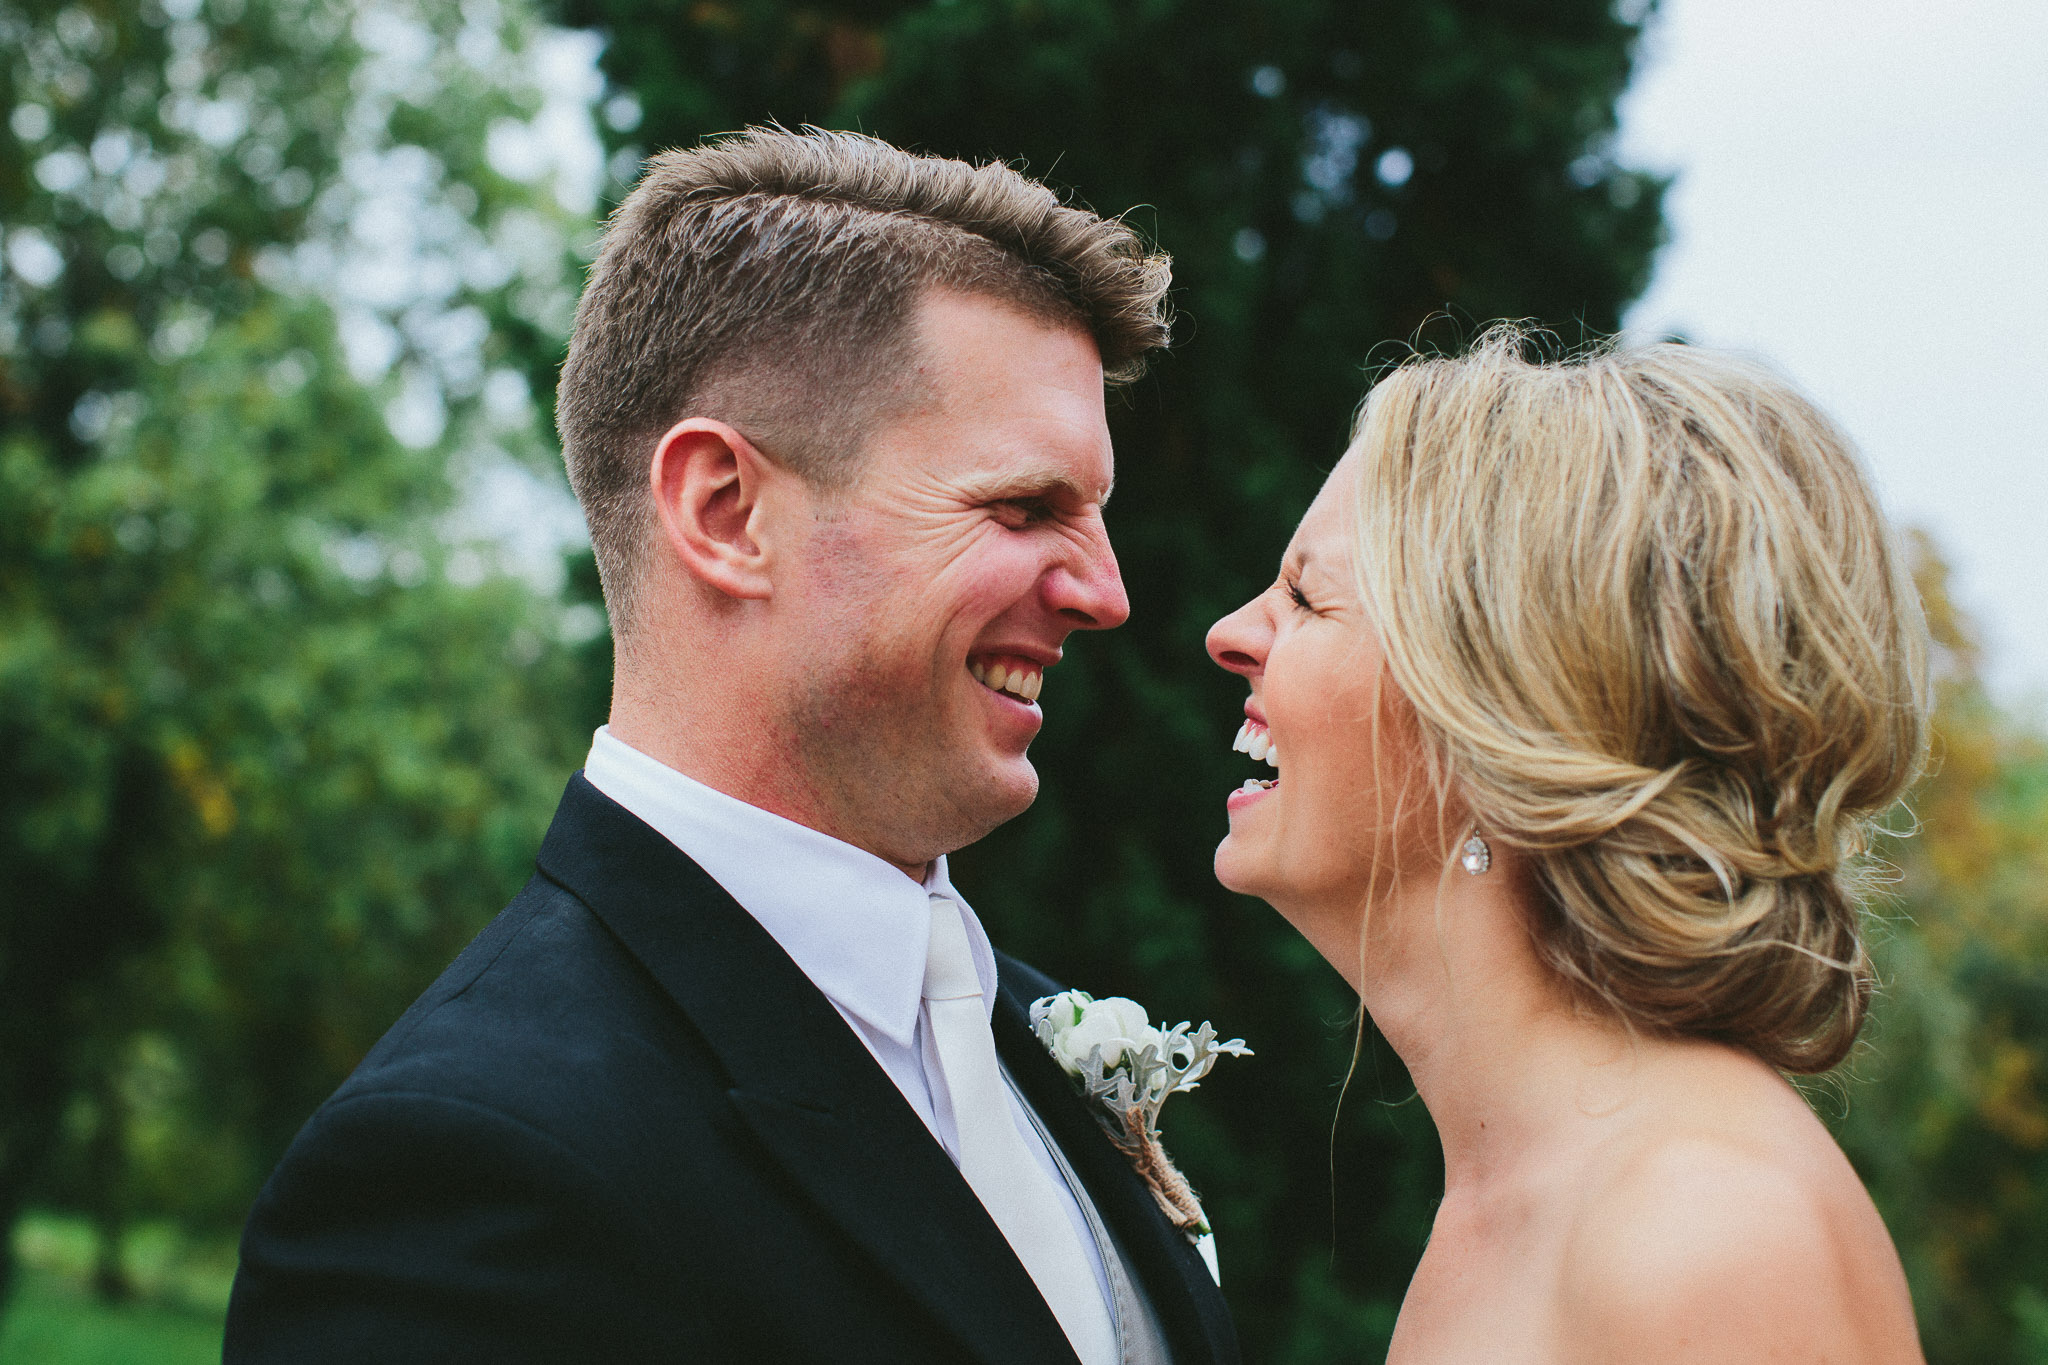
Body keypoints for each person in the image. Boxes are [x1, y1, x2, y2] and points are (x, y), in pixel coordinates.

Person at [225, 127, 1238, 1365]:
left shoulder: (1029, 1033)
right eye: (1023, 507)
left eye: (1096, 516)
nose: (1104, 592)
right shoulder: (469, 1166)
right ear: (724, 512)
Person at [1207, 329, 1930, 1362]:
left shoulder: (1702, 1231)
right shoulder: (1516, 1196)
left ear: (1501, 707)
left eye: (1308, 597)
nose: (1229, 632)